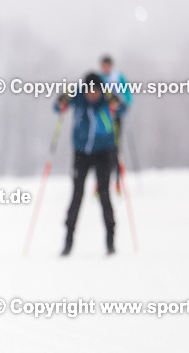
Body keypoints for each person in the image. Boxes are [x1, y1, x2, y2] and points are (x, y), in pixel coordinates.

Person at [55, 73, 125, 256]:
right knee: (77, 194)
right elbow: (58, 107)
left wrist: (117, 103)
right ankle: (68, 240)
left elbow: (122, 109)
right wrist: (62, 99)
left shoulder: (107, 98)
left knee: (104, 194)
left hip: (104, 152)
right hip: (81, 153)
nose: (92, 95)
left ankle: (110, 240)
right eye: (89, 91)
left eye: (95, 91)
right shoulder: (77, 97)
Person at [98, 55, 132, 194]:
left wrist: (123, 106)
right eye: (103, 66)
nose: (105, 68)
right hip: (102, 117)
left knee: (116, 148)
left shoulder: (118, 77)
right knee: (100, 149)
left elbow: (127, 95)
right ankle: (99, 182)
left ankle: (117, 180)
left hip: (116, 116)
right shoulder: (98, 78)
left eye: (107, 65)